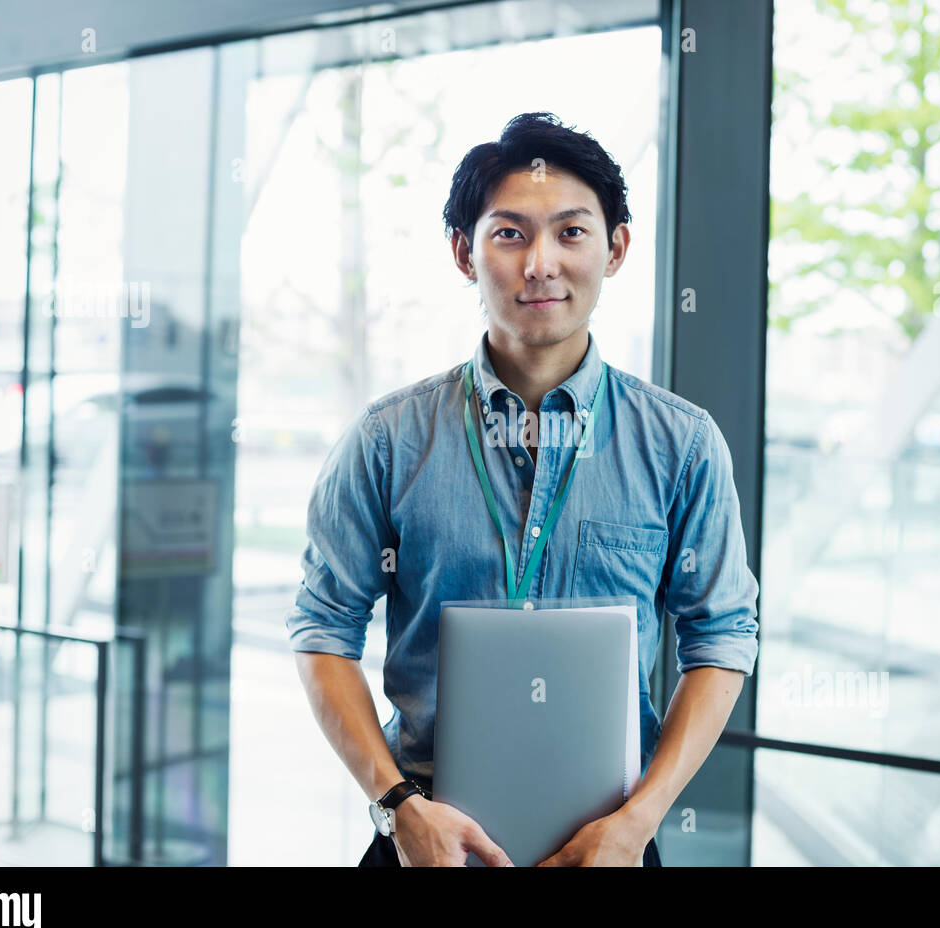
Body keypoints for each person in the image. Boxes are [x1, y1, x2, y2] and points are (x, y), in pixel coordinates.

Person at [287, 112, 759, 867]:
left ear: (618, 247)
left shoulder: (682, 444)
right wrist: (398, 806)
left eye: (571, 232)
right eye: (509, 234)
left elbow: (722, 639)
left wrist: (639, 822)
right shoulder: (387, 439)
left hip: (612, 842)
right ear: (463, 254)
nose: (540, 263)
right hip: (424, 839)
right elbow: (322, 631)